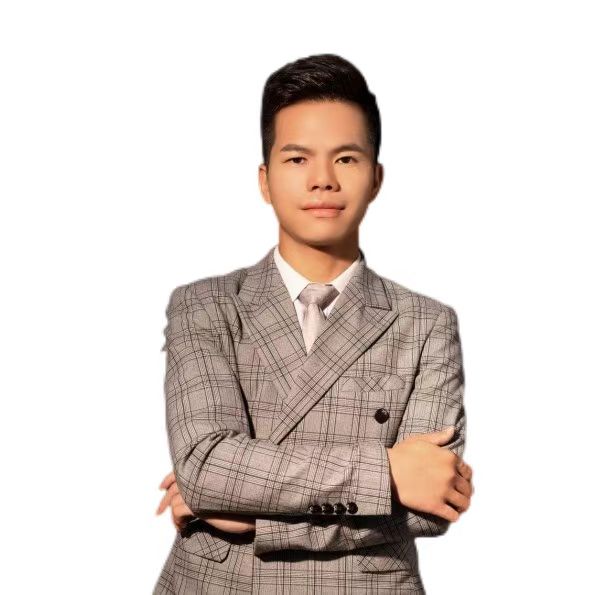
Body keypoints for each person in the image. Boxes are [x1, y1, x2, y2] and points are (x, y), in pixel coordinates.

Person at [153, 53, 473, 594]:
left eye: (346, 158)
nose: (322, 180)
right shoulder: (204, 305)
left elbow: (431, 503)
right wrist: (388, 474)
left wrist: (252, 516)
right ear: (265, 180)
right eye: (298, 159)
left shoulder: (426, 323)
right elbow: (205, 467)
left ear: (376, 178)